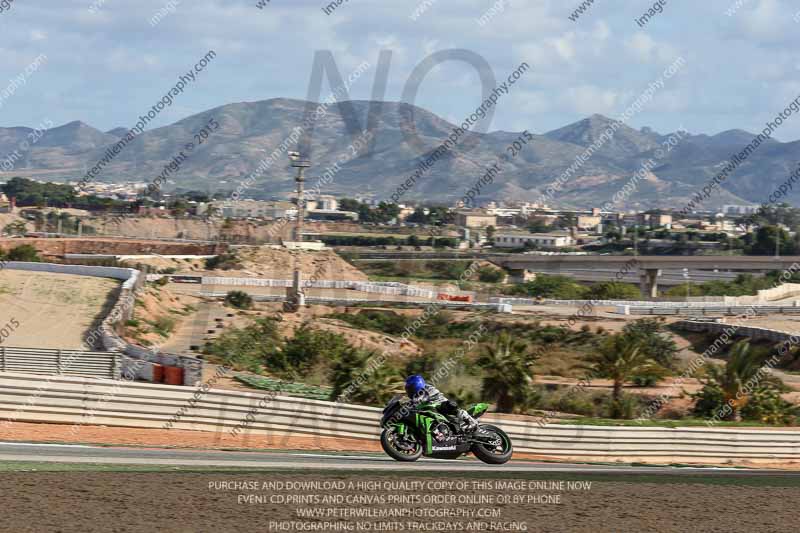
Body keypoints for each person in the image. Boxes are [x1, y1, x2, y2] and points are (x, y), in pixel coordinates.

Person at [404, 374, 482, 434]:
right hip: (431, 410)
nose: (409, 390)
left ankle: (469, 420)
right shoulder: (415, 396)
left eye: (410, 388)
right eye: (407, 389)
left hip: (440, 405)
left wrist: (406, 406)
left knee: (450, 405)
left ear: (417, 385)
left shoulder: (427, 389)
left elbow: (420, 399)